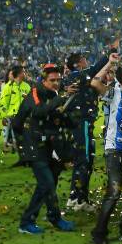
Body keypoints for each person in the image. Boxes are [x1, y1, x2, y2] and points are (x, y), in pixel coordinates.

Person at [12, 64, 78, 234]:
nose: (56, 83)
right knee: (47, 183)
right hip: (32, 145)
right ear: (43, 80)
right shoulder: (35, 92)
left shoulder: (53, 94)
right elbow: (38, 111)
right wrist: (61, 98)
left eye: (58, 79)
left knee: (49, 182)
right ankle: (34, 221)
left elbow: (55, 115)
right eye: (52, 80)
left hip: (47, 145)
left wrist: (69, 118)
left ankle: (45, 218)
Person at [65, 41, 117, 213]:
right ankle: (80, 199)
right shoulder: (77, 76)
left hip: (79, 124)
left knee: (81, 160)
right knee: (85, 160)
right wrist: (111, 52)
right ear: (77, 63)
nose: (86, 61)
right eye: (84, 59)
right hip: (82, 123)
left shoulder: (73, 79)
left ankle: (74, 197)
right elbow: (96, 69)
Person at [90, 56, 122, 244]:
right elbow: (94, 82)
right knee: (115, 191)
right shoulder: (115, 93)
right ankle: (99, 232)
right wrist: (109, 63)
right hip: (114, 149)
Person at [0, 65, 30, 152]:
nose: (25, 73)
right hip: (12, 115)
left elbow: (30, 101)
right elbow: (3, 103)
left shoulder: (26, 86)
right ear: (19, 74)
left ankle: (23, 150)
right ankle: (10, 147)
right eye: (23, 72)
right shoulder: (8, 87)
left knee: (25, 134)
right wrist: (4, 116)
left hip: (25, 115)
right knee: (14, 135)